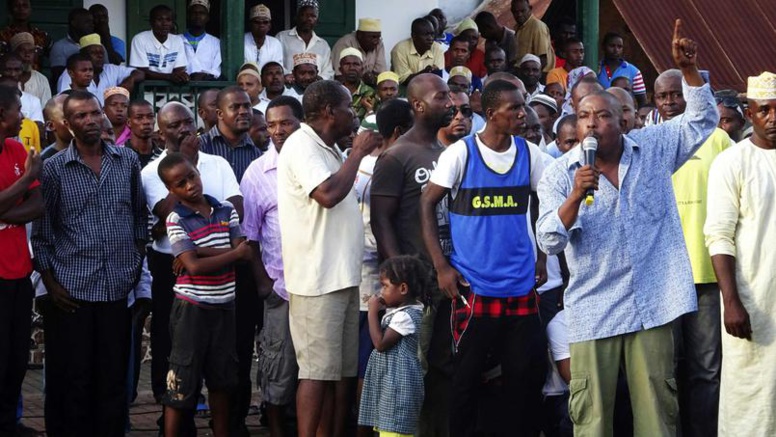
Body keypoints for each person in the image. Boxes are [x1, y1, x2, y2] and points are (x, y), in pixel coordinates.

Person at [536, 20, 717, 436]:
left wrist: (689, 71)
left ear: (623, 120)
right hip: (593, 309)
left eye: (602, 116)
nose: (592, 124)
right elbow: (548, 237)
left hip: (653, 304)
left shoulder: (652, 148)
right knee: (593, 420)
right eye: (583, 117)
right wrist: (574, 199)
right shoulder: (560, 174)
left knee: (658, 415)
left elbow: (701, 121)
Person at [419, 79, 548, 437]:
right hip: (473, 287)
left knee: (522, 378)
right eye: (515, 109)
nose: (523, 114)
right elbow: (427, 203)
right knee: (465, 379)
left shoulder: (529, 153)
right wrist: (441, 266)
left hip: (521, 284)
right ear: (491, 114)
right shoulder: (461, 154)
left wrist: (541, 255)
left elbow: (545, 200)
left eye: (523, 106)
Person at [31, 90, 147, 435]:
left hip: (115, 288)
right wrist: (51, 284)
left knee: (112, 378)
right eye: (81, 116)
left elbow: (139, 217)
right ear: (66, 125)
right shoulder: (53, 170)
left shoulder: (126, 161)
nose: (91, 120)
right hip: (71, 291)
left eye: (95, 113)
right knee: (73, 381)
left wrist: (134, 262)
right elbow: (41, 233)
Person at [277, 80, 381, 437]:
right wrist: (358, 154)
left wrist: (349, 153)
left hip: (341, 277)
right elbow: (327, 194)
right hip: (316, 280)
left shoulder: (329, 147)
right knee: (316, 373)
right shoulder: (301, 145)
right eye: (349, 108)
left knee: (339, 373)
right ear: (329, 112)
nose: (354, 115)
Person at [141, 101, 242, 434]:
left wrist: (196, 253)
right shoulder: (154, 175)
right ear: (160, 131)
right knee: (180, 368)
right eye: (173, 125)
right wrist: (220, 255)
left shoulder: (221, 186)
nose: (183, 129)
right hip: (187, 295)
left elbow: (241, 241)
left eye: (187, 122)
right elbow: (168, 217)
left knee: (222, 374)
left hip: (222, 300)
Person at [369, 73, 454, 436]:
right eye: (441, 97)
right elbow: (380, 220)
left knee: (441, 368)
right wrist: (403, 279)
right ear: (418, 105)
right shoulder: (395, 156)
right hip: (416, 284)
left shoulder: (445, 152)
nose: (450, 103)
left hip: (445, 278)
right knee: (412, 372)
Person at [648, 67, 731, 437]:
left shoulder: (719, 141)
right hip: (663, 276)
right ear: (653, 100)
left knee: (707, 369)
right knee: (665, 369)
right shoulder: (644, 142)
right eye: (662, 96)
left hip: (706, 275)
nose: (670, 103)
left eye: (676, 95)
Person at [157, 152, 251, 437]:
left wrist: (195, 249)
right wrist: (229, 253)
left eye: (192, 176)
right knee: (181, 383)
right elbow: (195, 268)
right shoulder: (176, 218)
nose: (190, 185)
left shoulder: (225, 210)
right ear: (171, 190)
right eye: (180, 183)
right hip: (192, 309)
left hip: (224, 305)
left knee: (222, 382)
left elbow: (244, 254)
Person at [704, 71, 776, 437]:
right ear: (749, 112)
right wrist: (731, 301)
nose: (772, 118)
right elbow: (718, 236)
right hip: (753, 303)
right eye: (764, 110)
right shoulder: (732, 163)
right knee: (750, 397)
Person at [240, 96, 304, 437]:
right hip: (281, 288)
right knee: (278, 364)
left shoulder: (327, 162)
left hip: (320, 283)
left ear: (302, 123)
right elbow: (248, 237)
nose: (278, 131)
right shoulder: (257, 173)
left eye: (286, 123)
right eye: (271, 125)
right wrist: (264, 283)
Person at [0, 83, 43, 437]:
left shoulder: (17, 149)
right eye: (18, 110)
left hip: (18, 270)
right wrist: (27, 178)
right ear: (2, 114)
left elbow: (39, 203)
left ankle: (8, 423)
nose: (23, 117)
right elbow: (28, 189)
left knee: (15, 358)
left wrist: (6, 211)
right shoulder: (23, 163)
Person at [358, 255, 429, 437]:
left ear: (403, 288)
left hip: (399, 392)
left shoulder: (406, 316)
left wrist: (372, 312)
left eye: (385, 286)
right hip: (391, 389)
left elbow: (380, 344)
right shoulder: (399, 312)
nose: (381, 292)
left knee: (393, 431)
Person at [200, 86, 261, 182]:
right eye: (235, 107)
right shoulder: (200, 146)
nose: (243, 111)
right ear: (220, 114)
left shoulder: (256, 154)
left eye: (247, 106)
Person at [56, 34, 143, 101]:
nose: (100, 56)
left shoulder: (110, 69)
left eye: (101, 52)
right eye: (94, 53)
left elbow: (140, 73)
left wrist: (130, 80)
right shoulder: (70, 74)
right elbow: (65, 101)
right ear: (83, 54)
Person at [130, 5, 189, 84]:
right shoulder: (140, 39)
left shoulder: (177, 40)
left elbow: (179, 70)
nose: (164, 24)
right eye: (159, 20)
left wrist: (180, 76)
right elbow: (142, 72)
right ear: (151, 22)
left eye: (168, 20)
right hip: (146, 90)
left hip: (170, 90)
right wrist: (169, 77)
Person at [276, 0, 334, 80]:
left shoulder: (323, 45)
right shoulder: (282, 38)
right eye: (305, 15)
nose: (309, 19)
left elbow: (328, 71)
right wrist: (286, 75)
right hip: (289, 88)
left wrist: (319, 79)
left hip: (315, 90)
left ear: (317, 21)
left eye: (313, 16)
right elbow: (275, 63)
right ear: (297, 17)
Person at [597, 32, 647, 107]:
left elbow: (642, 101)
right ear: (603, 47)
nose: (616, 50)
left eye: (619, 47)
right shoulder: (596, 68)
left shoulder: (634, 71)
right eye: (612, 46)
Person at [331, 18, 386, 86]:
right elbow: (340, 76)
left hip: (370, 88)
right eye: (373, 37)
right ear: (359, 35)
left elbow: (381, 75)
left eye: (378, 37)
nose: (376, 41)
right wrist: (363, 78)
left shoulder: (379, 44)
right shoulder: (345, 43)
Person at [391, 18, 444, 86]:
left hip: (430, 89)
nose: (430, 38)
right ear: (414, 36)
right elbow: (403, 80)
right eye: (426, 34)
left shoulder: (437, 48)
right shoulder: (399, 50)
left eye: (432, 34)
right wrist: (425, 73)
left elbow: (438, 79)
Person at [0, 0, 51, 71]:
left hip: (35, 79)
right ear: (10, 10)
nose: (21, 9)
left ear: (30, 9)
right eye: (17, 6)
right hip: (10, 79)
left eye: (25, 5)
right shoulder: (3, 35)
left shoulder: (41, 36)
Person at [49, 8, 94, 82]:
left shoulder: (98, 47)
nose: (92, 25)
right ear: (74, 23)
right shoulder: (60, 47)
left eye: (92, 22)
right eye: (87, 22)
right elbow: (58, 76)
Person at [511, 0, 555, 72]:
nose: (519, 14)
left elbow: (543, 59)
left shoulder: (537, 26)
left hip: (534, 74)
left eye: (523, 11)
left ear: (530, 9)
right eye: (515, 12)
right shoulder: (517, 27)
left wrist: (533, 78)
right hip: (522, 72)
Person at [182, 0, 221, 80]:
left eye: (202, 13)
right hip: (180, 89)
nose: (197, 16)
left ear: (207, 18)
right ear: (188, 16)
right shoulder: (177, 40)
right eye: (194, 13)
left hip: (207, 88)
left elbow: (216, 70)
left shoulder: (215, 42)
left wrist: (203, 75)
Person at [10, 32, 51, 107]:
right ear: (13, 54)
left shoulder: (41, 80)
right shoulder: (4, 80)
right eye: (22, 51)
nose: (27, 55)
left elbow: (46, 110)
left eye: (31, 51)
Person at [0, 54, 43, 123]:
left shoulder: (33, 102)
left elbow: (37, 130)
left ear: (22, 72)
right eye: (8, 70)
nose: (12, 74)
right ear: (1, 71)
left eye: (17, 70)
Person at [338, 48, 375, 120]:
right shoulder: (334, 91)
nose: (351, 68)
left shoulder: (369, 92)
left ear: (362, 69)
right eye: (347, 64)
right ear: (340, 69)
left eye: (356, 64)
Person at [243, 4, 283, 71]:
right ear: (250, 24)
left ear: (269, 26)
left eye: (265, 22)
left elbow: (277, 69)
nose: (261, 25)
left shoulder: (275, 43)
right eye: (257, 22)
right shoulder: (241, 41)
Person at [125, 99, 163, 166]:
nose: (146, 122)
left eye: (150, 116)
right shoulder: (118, 156)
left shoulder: (163, 157)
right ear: (129, 122)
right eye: (139, 118)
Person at [40, 95, 72, 160]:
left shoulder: (95, 151)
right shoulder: (45, 161)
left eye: (80, 115)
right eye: (68, 117)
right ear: (51, 126)